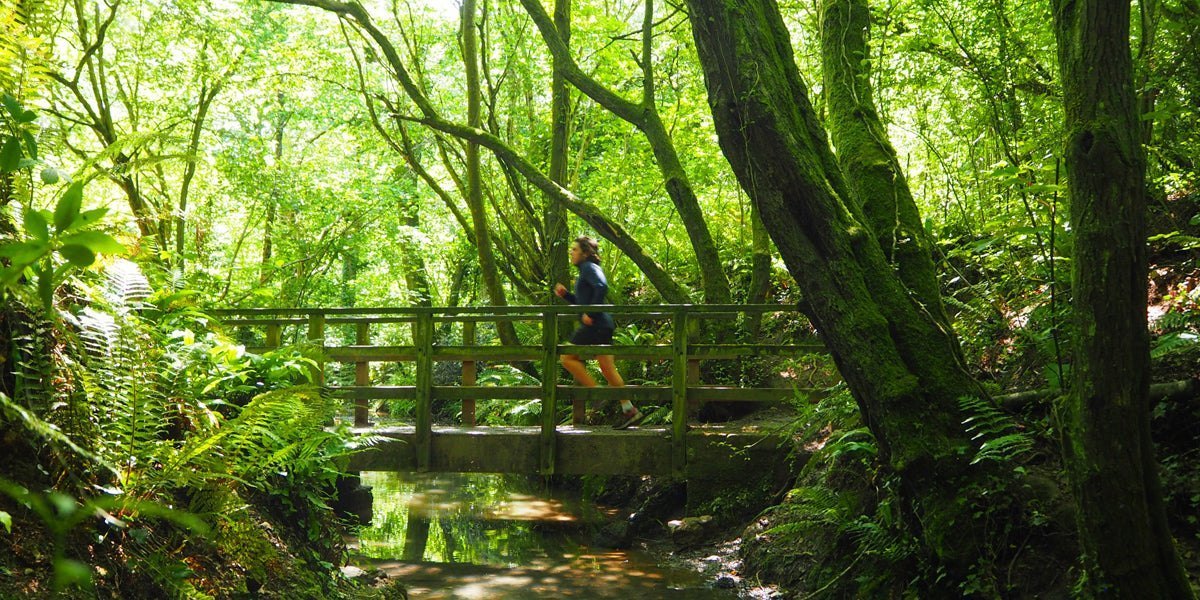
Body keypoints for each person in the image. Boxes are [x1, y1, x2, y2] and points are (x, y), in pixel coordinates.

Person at [554, 236, 644, 429]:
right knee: (608, 369)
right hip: (602, 325)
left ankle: (597, 394)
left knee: (566, 357)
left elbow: (602, 286)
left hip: (595, 325)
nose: (571, 252)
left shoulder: (589, 267)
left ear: (585, 253)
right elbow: (583, 302)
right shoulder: (586, 270)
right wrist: (566, 296)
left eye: (575, 249)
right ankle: (629, 409)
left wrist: (592, 313)